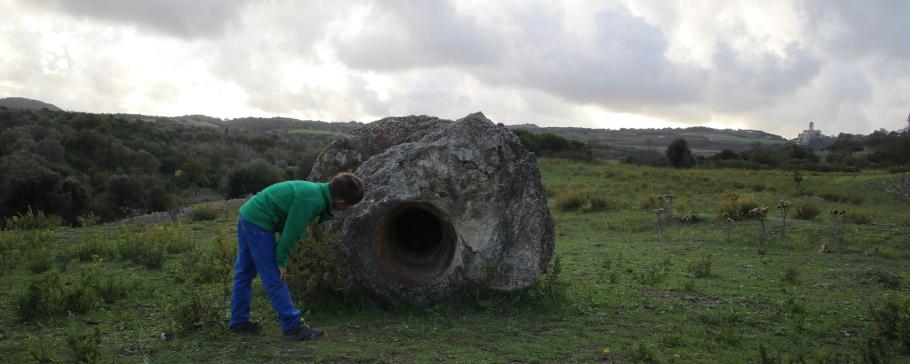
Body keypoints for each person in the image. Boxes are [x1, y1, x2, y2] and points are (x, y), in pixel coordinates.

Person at [228, 172, 365, 340]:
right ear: (341, 203)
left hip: (249, 213)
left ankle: (238, 322)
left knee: (244, 272)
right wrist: (281, 260)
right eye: (349, 206)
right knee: (274, 275)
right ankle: (292, 326)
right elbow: (291, 233)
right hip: (258, 221)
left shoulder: (318, 191)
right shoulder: (311, 201)